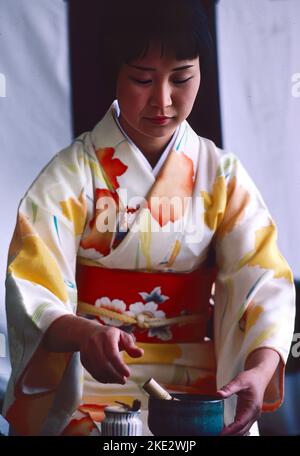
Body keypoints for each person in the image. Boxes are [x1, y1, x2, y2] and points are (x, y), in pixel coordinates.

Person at [3, 0, 295, 436]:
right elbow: (32, 283)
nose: (163, 100)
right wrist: (85, 334)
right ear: (115, 74)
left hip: (202, 390)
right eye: (142, 79)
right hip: (92, 387)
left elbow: (264, 279)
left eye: (182, 78)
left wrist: (260, 366)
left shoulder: (222, 177)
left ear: (201, 73)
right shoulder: (72, 174)